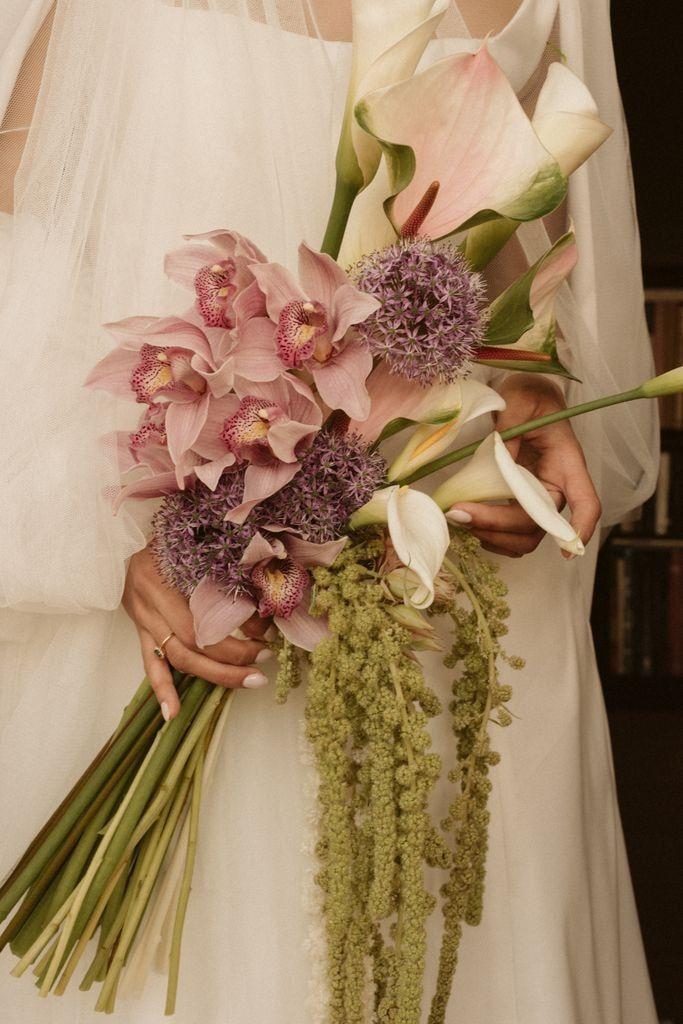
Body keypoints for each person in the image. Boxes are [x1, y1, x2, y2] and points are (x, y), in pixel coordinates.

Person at [0, 2, 660, 1022]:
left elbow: (521, 252)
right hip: (160, 565)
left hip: (439, 571)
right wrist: (102, 540)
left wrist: (531, 392)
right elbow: (24, 256)